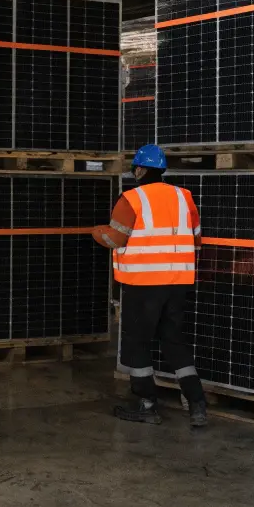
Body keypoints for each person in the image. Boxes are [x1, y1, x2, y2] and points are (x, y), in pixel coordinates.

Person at [92, 144, 208, 428]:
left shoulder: (131, 199)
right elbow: (196, 239)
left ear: (140, 170)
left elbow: (115, 239)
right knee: (173, 339)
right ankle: (196, 404)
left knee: (137, 342)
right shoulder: (184, 197)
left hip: (142, 284)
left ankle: (147, 404)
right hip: (177, 283)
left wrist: (96, 232)